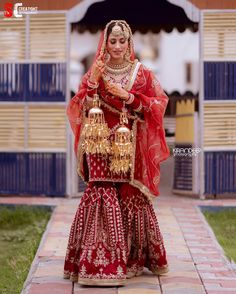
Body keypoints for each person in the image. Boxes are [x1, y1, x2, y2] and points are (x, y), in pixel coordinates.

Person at [63, 20, 170, 286]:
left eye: (123, 41)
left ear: (130, 42)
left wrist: (129, 96)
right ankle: (98, 264)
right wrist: (95, 82)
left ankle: (132, 259)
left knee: (130, 193)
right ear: (105, 43)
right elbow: (81, 106)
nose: (118, 46)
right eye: (113, 41)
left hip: (128, 141)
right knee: (101, 190)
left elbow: (159, 103)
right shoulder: (95, 71)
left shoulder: (141, 73)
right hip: (99, 142)